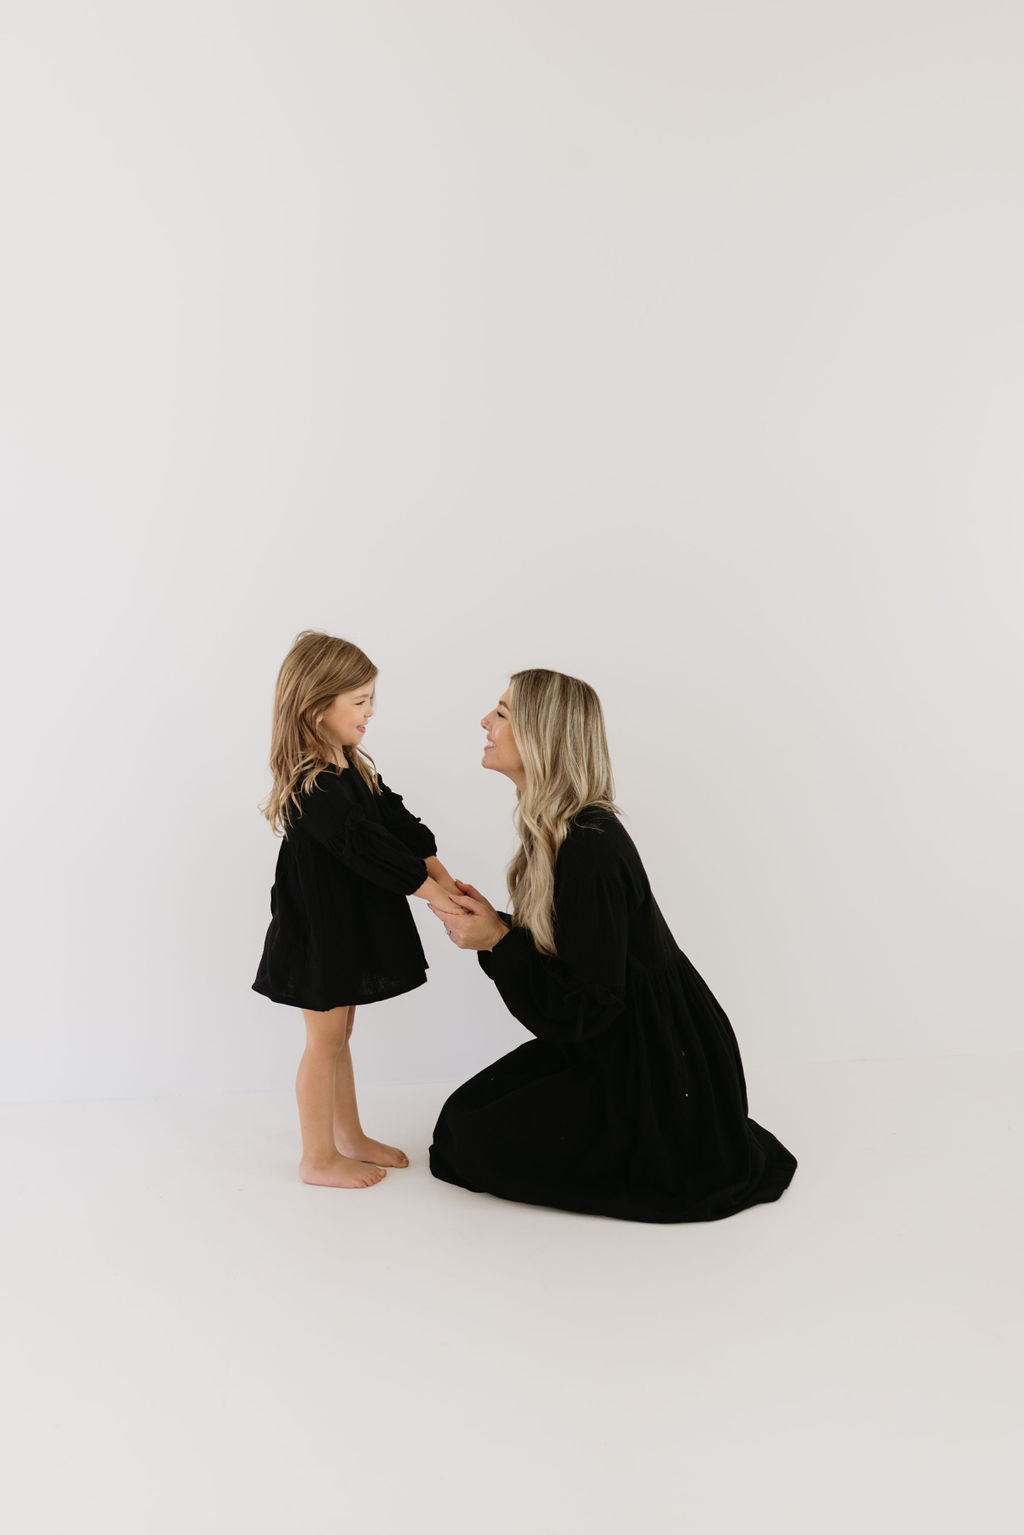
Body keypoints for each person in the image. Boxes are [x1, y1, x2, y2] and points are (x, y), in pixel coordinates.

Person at [427, 669, 798, 1222]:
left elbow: (586, 1004)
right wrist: (496, 927)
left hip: (650, 1063)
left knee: (466, 1141)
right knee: (465, 1119)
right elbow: (581, 955)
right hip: (624, 1037)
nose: (486, 722)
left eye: (502, 713)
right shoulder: (559, 831)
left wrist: (500, 943)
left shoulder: (588, 846)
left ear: (542, 736)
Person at [252, 630, 462, 1189]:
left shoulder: (350, 765)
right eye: (360, 702)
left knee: (341, 1034)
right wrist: (433, 894)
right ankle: (317, 1157)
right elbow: (365, 849)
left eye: (371, 700)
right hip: (317, 932)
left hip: (342, 928)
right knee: (323, 1041)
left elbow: (395, 823)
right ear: (318, 707)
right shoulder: (314, 784)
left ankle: (349, 1136)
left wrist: (440, 873)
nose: (370, 713)